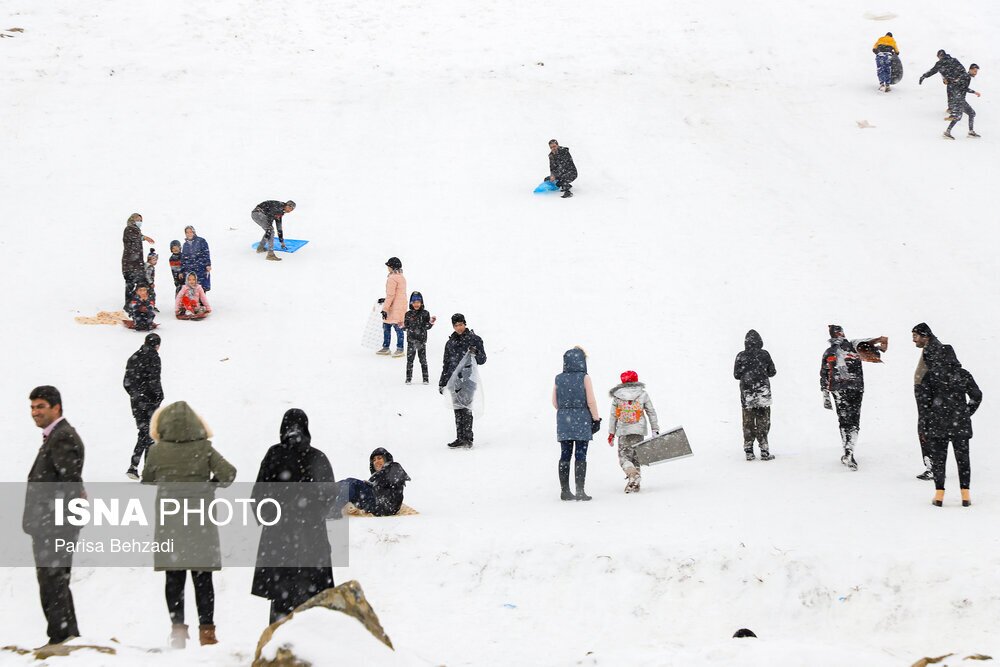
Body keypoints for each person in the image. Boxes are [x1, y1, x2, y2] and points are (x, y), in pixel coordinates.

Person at [142, 401, 236, 649]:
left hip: (170, 523)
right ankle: (207, 633)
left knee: (174, 580)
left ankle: (178, 633)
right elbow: (229, 474)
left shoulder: (156, 451)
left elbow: (148, 478)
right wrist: (210, 484)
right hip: (200, 523)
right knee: (202, 580)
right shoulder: (205, 449)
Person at [251, 409, 336, 624]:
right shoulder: (318, 457)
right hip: (313, 542)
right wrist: (312, 516)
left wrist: (274, 517)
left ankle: (277, 651)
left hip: (279, 541)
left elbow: (258, 497)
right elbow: (330, 497)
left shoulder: (273, 455)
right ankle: (311, 651)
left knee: (281, 603)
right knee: (312, 604)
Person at [23, 386, 84, 647]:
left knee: (52, 582)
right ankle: (67, 636)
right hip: (51, 523)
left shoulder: (62, 437)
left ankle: (60, 637)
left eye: (40, 407)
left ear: (56, 407)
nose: (35, 412)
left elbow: (69, 482)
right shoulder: (55, 436)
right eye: (33, 407)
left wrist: (56, 520)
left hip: (54, 525)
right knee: (56, 582)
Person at [820, 325, 886, 471]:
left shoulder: (829, 352)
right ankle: (851, 450)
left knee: (844, 421)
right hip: (856, 389)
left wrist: (825, 394)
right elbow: (876, 354)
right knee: (854, 420)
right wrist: (878, 345)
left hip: (839, 390)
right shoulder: (855, 347)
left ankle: (848, 451)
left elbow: (824, 374)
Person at [923, 346, 982, 507]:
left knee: (939, 461)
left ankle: (939, 494)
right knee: (963, 460)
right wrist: (966, 412)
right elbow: (977, 395)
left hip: (938, 425)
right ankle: (965, 494)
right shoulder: (963, 374)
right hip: (960, 425)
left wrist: (928, 420)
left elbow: (924, 402)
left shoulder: (930, 376)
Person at [553, 347, 601, 500]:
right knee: (580, 454)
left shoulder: (559, 378)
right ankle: (580, 491)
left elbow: (554, 402)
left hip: (563, 421)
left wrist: (566, 410)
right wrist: (595, 419)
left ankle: (565, 491)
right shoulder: (584, 377)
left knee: (565, 455)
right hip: (581, 419)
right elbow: (591, 401)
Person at [439, 314, 486, 448]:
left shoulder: (475, 339)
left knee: (466, 408)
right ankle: (460, 437)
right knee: (457, 409)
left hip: (468, 379)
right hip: (454, 381)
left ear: (465, 324)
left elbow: (482, 359)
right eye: (456, 325)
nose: (459, 328)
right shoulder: (450, 342)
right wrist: (442, 382)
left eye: (461, 324)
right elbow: (446, 364)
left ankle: (468, 438)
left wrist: (475, 352)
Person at [607, 370, 659, 493]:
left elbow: (613, 416)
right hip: (638, 430)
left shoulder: (617, 395)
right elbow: (651, 412)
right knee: (636, 457)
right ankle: (635, 482)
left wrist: (611, 433)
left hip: (624, 430)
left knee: (624, 457)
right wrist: (655, 429)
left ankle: (633, 476)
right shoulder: (643, 394)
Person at [123, 333, 163, 480]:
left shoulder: (134, 357)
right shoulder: (154, 358)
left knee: (144, 432)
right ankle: (146, 470)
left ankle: (135, 467)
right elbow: (154, 380)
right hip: (151, 402)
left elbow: (126, 382)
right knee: (150, 434)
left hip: (136, 404)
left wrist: (136, 396)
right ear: (157, 345)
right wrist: (158, 396)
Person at [734, 329, 777, 461]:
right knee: (763, 420)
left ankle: (749, 450)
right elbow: (772, 372)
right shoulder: (764, 354)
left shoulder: (741, 356)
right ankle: (764, 449)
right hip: (762, 391)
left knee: (748, 422)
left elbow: (736, 375)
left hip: (747, 393)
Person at [330, 447, 411, 517]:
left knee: (352, 483)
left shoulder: (393, 466)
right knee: (346, 482)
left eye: (379, 458)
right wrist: (370, 484)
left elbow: (388, 483)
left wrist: (371, 484)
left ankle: (334, 511)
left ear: (386, 459)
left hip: (384, 506)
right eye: (374, 460)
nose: (376, 462)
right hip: (378, 504)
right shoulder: (378, 475)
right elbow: (381, 485)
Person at [912, 322, 943, 480]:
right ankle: (933, 466)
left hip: (928, 397)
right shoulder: (931, 347)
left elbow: (937, 376)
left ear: (925, 336)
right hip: (926, 395)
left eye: (915, 336)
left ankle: (932, 467)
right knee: (926, 429)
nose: (914, 340)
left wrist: (931, 396)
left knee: (926, 430)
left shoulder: (933, 349)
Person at [919, 50, 967, 118]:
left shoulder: (940, 63)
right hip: (960, 81)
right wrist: (961, 78)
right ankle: (959, 108)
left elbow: (932, 71)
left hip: (952, 81)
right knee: (958, 95)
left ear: (939, 56)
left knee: (951, 96)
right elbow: (962, 69)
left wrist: (923, 76)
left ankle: (953, 111)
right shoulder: (954, 60)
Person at [122, 212, 154, 308]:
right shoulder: (129, 229)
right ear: (132, 219)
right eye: (137, 220)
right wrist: (144, 237)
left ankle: (143, 303)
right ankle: (128, 305)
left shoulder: (137, 230)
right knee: (130, 284)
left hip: (137, 263)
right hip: (129, 264)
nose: (139, 222)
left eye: (140, 220)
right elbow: (135, 237)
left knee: (142, 284)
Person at [403, 291, 435, 384]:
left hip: (421, 341)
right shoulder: (408, 314)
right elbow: (406, 327)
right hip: (411, 341)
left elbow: (427, 327)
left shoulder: (425, 313)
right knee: (410, 361)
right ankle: (408, 378)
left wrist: (431, 323)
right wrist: (402, 327)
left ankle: (425, 378)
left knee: (423, 360)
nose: (416, 304)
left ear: (422, 303)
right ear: (411, 303)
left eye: (418, 302)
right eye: (414, 302)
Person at [377, 257, 407, 357]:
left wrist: (385, 309)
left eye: (388, 266)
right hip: (401, 305)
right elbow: (397, 293)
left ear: (392, 267)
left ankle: (387, 347)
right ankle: (400, 347)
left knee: (387, 326)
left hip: (394, 307)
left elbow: (391, 295)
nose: (387, 268)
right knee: (399, 326)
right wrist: (384, 300)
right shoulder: (401, 277)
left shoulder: (392, 278)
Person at [943, 64, 981, 140]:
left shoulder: (964, 76)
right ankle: (948, 132)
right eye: (974, 71)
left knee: (970, 113)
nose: (975, 73)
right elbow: (964, 88)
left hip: (958, 98)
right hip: (959, 99)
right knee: (963, 115)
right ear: (970, 69)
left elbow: (956, 83)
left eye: (976, 71)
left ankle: (970, 131)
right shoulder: (966, 77)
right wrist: (974, 92)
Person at [181, 226, 211, 291]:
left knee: (201, 288)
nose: (189, 234)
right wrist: (182, 270)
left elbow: (206, 253)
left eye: (190, 232)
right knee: (191, 289)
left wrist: (208, 264)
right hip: (189, 270)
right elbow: (183, 259)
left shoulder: (201, 241)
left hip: (200, 268)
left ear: (194, 232)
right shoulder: (185, 245)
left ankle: (201, 301)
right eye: (187, 232)